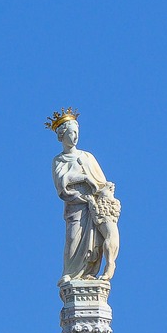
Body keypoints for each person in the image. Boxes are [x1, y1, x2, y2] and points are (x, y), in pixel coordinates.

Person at [50, 111, 120, 287]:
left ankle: (89, 272)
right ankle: (70, 273)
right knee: (73, 240)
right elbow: (62, 183)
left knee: (94, 241)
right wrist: (83, 178)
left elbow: (101, 182)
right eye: (71, 133)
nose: (75, 137)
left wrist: (99, 190)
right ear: (62, 135)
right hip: (75, 206)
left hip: (93, 206)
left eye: (77, 133)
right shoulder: (59, 160)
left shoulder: (87, 157)